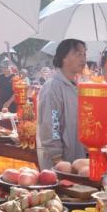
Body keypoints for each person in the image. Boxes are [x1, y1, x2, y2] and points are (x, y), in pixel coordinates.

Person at [36, 39, 87, 169]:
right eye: (78, 54)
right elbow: (51, 123)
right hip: (60, 165)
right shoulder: (53, 87)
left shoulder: (76, 87)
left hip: (77, 158)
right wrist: (57, 159)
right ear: (64, 57)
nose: (83, 59)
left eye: (84, 54)